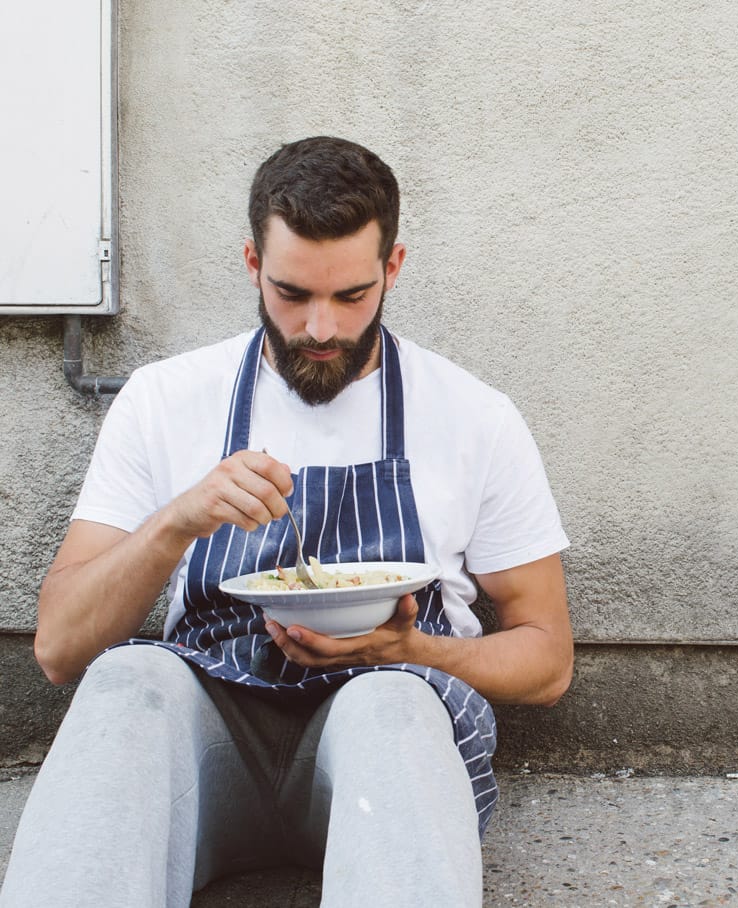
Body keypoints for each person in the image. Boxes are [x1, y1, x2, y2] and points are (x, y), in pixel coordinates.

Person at [0, 136, 572, 907]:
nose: (322, 329)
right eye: (293, 294)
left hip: (379, 748)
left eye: (352, 296)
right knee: (130, 677)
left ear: (393, 268)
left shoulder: (475, 417)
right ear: (251, 265)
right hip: (209, 745)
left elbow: (548, 659)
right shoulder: (166, 399)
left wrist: (412, 648)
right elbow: (60, 648)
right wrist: (176, 523)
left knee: (391, 701)